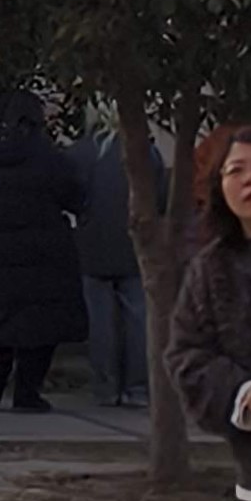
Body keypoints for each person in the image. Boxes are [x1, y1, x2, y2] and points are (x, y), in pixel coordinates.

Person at [169, 125, 251, 501]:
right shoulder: (210, 270)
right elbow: (186, 353)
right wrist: (248, 395)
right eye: (236, 171)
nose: (250, 180)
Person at [0, 92, 81, 413]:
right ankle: (27, 393)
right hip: (42, 253)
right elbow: (75, 194)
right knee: (38, 327)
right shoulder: (47, 156)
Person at [70, 124, 164, 409]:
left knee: (100, 321)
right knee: (138, 319)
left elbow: (69, 194)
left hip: (93, 244)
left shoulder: (82, 152)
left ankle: (105, 387)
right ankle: (137, 388)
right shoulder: (148, 153)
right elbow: (159, 197)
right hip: (134, 245)